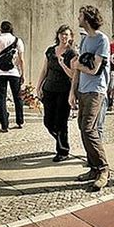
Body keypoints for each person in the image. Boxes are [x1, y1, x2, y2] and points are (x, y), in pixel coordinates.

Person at [69, 5, 110, 190]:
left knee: (88, 129)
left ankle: (103, 169)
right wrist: (73, 91)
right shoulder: (85, 40)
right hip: (83, 90)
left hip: (96, 90)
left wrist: (78, 66)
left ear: (87, 18)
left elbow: (94, 70)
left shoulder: (102, 40)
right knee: (82, 127)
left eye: (80, 14)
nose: (77, 17)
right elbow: (78, 69)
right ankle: (93, 168)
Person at [36, 25, 76, 162]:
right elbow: (44, 70)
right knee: (48, 122)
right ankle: (61, 140)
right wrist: (38, 86)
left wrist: (63, 64)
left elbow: (73, 75)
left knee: (61, 122)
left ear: (70, 37)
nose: (64, 37)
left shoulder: (71, 53)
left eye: (67, 34)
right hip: (49, 89)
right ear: (58, 35)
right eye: (62, 34)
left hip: (64, 91)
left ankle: (63, 151)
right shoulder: (50, 51)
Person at [0, 21, 25, 132]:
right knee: (17, 97)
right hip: (14, 72)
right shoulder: (17, 41)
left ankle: (4, 125)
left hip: (0, 72)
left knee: (1, 98)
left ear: (1, 29)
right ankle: (20, 121)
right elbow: (21, 59)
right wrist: (23, 73)